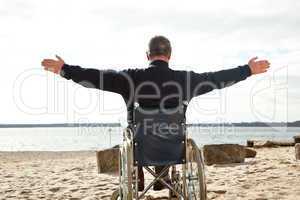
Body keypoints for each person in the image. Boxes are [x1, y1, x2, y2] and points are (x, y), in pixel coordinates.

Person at [42, 35, 270, 191]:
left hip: (139, 147)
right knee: (168, 130)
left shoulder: (130, 78)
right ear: (169, 55)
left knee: (135, 132)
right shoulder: (185, 80)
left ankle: (138, 174)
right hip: (173, 147)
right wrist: (247, 70)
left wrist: (65, 70)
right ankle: (164, 177)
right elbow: (216, 79)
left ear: (147, 55)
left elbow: (96, 77)